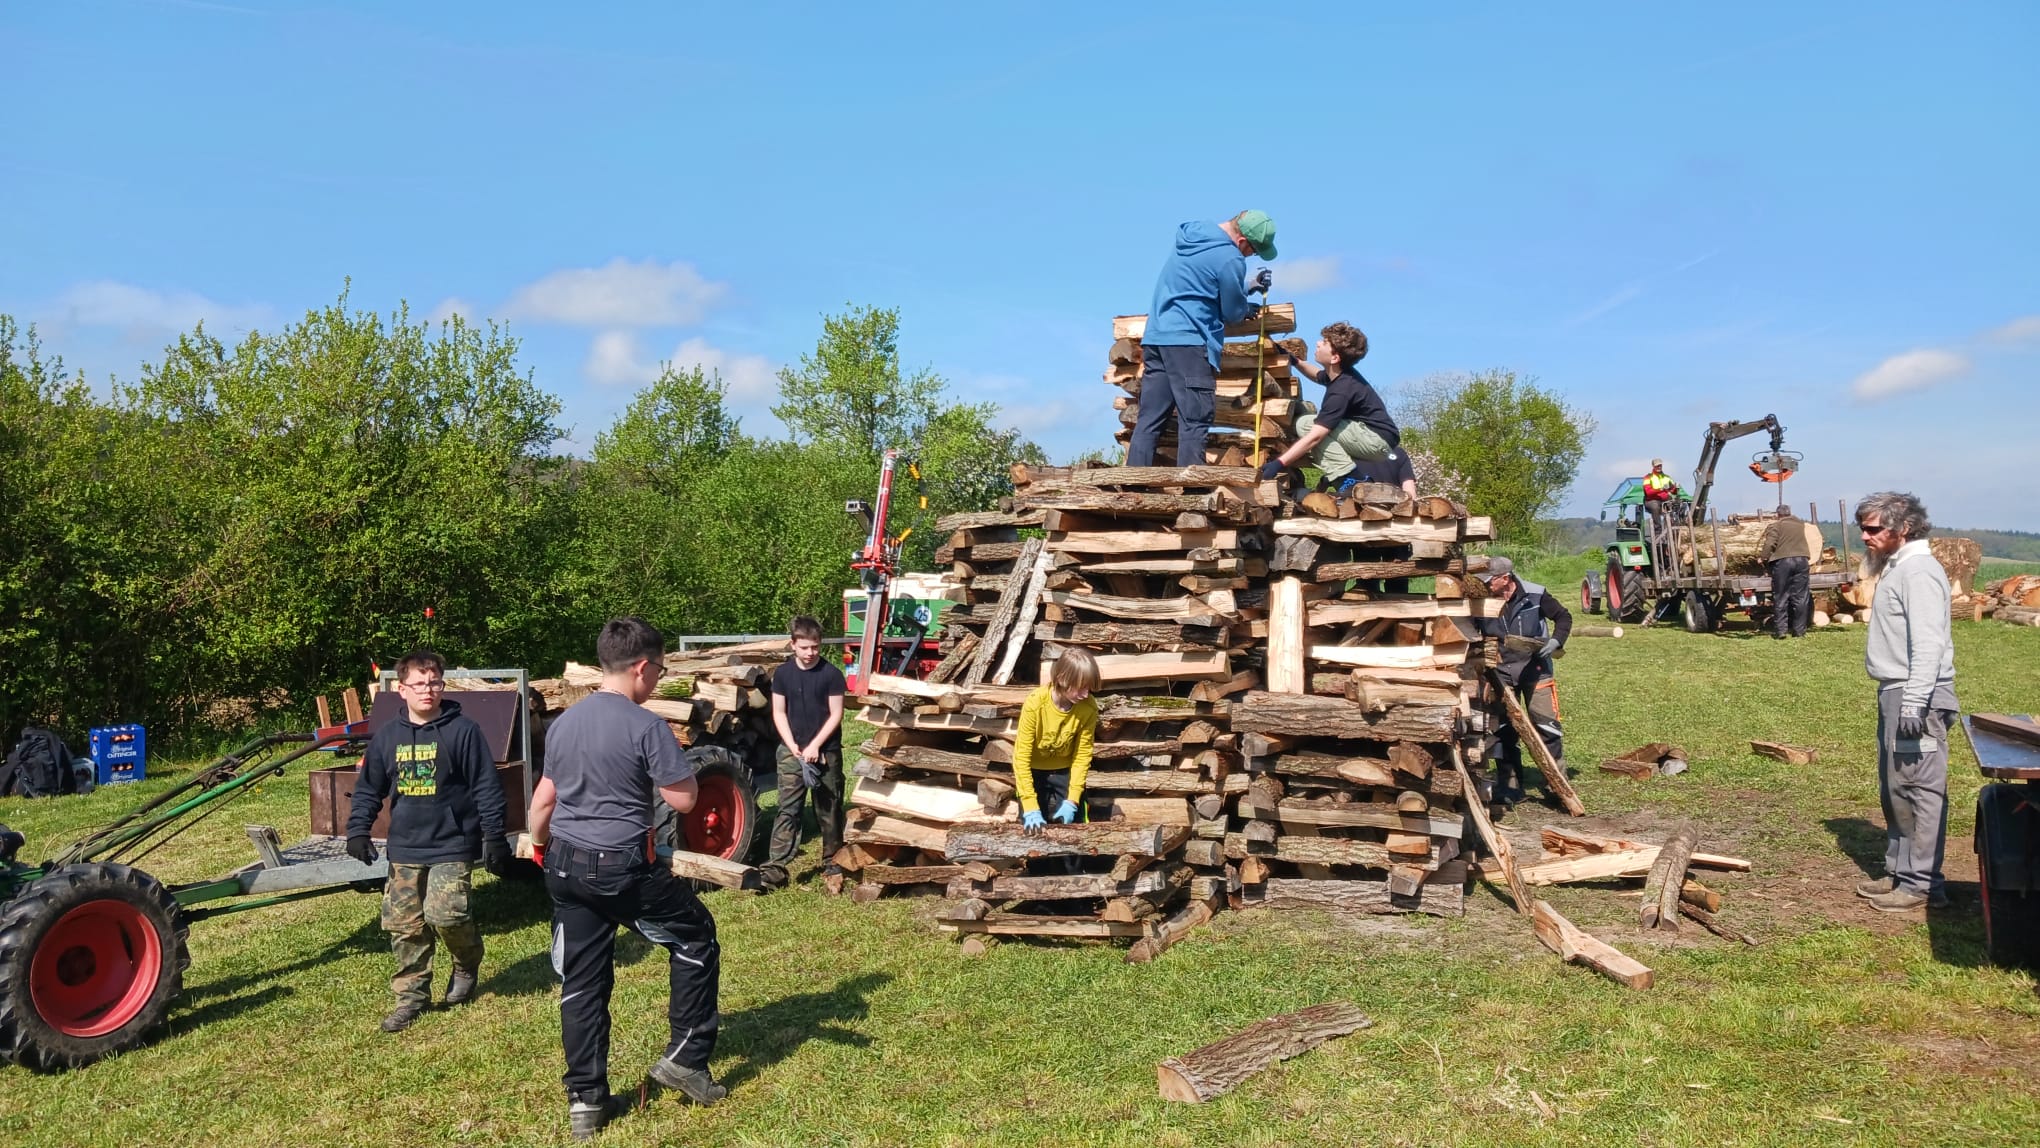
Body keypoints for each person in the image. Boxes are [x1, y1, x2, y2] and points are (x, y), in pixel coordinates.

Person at [527, 617, 726, 1140]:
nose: (658, 680)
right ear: (641, 667)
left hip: (565, 865)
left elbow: (543, 801)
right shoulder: (646, 726)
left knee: (583, 980)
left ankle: (586, 1100)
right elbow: (684, 799)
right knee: (695, 937)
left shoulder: (565, 721)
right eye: (659, 670)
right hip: (621, 868)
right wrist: (666, 770)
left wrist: (541, 848)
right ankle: (686, 1059)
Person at [346, 649, 511, 1034]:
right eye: (419, 684)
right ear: (401, 689)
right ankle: (411, 998)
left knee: (447, 915)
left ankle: (466, 963)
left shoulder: (463, 731)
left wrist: (494, 837)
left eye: (434, 682)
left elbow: (487, 788)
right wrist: (358, 830)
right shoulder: (388, 736)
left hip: (452, 842)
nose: (428, 690)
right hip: (405, 846)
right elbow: (369, 789)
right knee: (405, 926)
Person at [1852, 492, 1957, 914]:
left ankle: (1922, 885)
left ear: (1904, 527)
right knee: (1897, 788)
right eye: (1863, 528)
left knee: (1919, 789)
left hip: (1918, 694)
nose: (1865, 536)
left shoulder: (1919, 571)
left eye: (1873, 528)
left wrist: (1914, 702)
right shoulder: (1898, 567)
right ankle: (1901, 872)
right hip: (1897, 691)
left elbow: (1929, 643)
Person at [1127, 210, 1278, 468]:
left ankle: (1133, 483)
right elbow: (1232, 312)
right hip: (1190, 343)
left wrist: (1247, 286)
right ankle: (1194, 487)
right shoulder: (1230, 258)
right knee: (1195, 419)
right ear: (1242, 241)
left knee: (1150, 420)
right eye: (1252, 250)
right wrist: (1244, 307)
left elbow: (1201, 282)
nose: (1249, 255)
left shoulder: (1192, 238)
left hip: (1157, 337)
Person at [1256, 322, 1398, 494]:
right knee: (1308, 418)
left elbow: (1316, 436)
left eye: (1324, 342)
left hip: (1375, 439)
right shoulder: (1339, 375)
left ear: (1334, 358)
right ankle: (1344, 479)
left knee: (1306, 424)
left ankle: (1350, 479)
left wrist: (1279, 463)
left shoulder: (1341, 390)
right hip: (1375, 438)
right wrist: (1294, 361)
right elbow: (1317, 375)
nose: (1318, 343)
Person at [762, 614, 848, 891]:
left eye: (815, 647)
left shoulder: (831, 674)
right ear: (793, 645)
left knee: (829, 808)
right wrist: (792, 746)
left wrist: (815, 746)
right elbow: (778, 712)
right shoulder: (783, 674)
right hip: (791, 751)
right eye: (804, 647)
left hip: (826, 751)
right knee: (788, 809)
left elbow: (836, 714)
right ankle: (776, 867)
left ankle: (833, 862)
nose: (810, 653)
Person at [1479, 557, 1572, 806]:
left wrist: (1556, 641)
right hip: (1500, 672)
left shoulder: (1536, 593)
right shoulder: (1482, 599)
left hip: (1536, 669)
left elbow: (1563, 617)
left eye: (1490, 581)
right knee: (1503, 729)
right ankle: (1510, 786)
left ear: (1505, 579)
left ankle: (1557, 785)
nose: (1486, 585)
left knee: (1547, 727)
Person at [1013, 648, 1102, 835]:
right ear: (1062, 679)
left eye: (1089, 688)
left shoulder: (1088, 707)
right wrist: (1029, 805)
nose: (1086, 694)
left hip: (1066, 772)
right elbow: (1021, 757)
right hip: (1034, 772)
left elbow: (1082, 755)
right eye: (1081, 687)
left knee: (1075, 832)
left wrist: (1073, 800)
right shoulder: (1035, 704)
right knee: (1033, 832)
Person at [1757, 505, 1813, 639]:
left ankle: (1781, 631)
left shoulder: (1776, 526)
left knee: (1781, 596)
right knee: (1801, 597)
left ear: (1777, 515)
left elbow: (1770, 544)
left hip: (1783, 562)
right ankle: (1799, 631)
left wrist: (1763, 557)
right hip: (1802, 561)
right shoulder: (1800, 524)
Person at [1641, 459, 1679, 528]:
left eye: (1660, 465)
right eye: (1657, 466)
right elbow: (1648, 492)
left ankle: (1671, 526)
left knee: (1676, 503)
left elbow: (1674, 492)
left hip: (1665, 500)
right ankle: (1658, 528)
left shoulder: (1667, 477)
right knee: (1655, 507)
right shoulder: (1648, 477)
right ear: (1653, 466)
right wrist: (1661, 489)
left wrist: (1676, 488)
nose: (1659, 467)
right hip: (1651, 500)